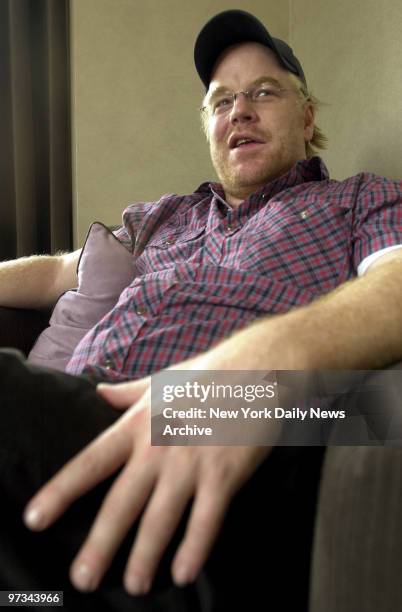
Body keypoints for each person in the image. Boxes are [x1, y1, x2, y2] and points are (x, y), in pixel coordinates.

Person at [1, 8, 402, 611]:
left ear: (308, 116)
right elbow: (63, 270)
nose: (239, 110)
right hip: (80, 410)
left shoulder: (356, 200)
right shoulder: (166, 215)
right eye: (221, 102)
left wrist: (263, 359)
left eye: (264, 92)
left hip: (219, 426)